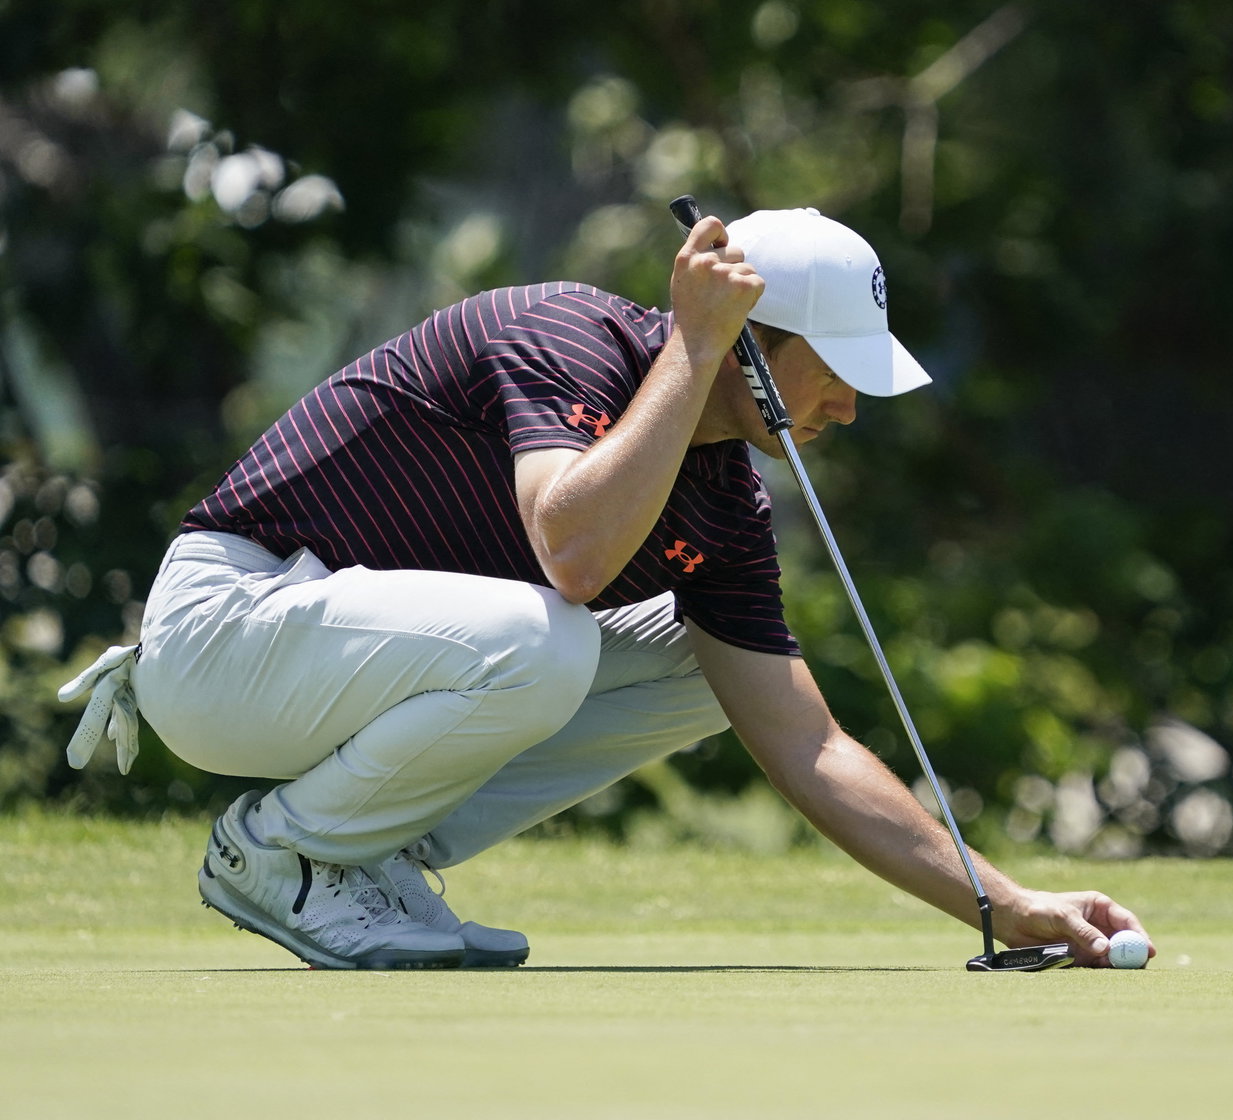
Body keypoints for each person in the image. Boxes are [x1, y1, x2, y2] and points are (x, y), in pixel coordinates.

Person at [62, 206, 1154, 970]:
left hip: (336, 666)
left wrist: (1002, 901)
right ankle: (283, 853)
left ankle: (360, 850)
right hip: (229, 631)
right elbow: (573, 554)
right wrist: (695, 342)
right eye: (837, 372)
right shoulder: (563, 338)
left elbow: (806, 744)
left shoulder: (727, 502)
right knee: (552, 633)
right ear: (753, 347)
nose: (853, 411)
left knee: (703, 673)